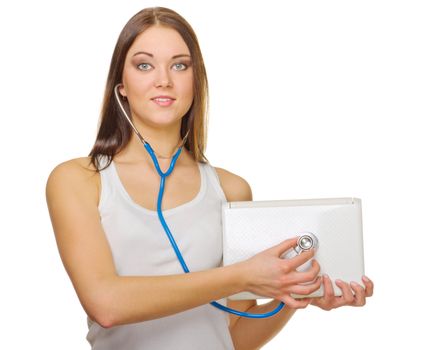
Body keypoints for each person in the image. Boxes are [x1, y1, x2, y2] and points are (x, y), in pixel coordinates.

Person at [45, 6, 374, 350]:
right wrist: (242, 275)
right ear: (121, 85)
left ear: (195, 79)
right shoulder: (79, 180)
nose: (163, 80)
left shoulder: (231, 190)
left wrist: (287, 294)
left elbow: (236, 338)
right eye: (144, 65)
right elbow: (106, 304)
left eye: (179, 65)